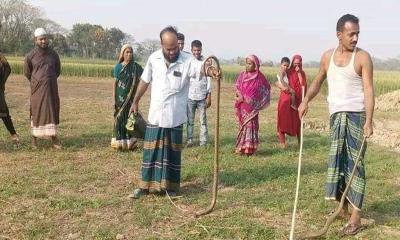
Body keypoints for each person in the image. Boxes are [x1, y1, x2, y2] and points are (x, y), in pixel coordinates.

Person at [298, 14, 374, 236]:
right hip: (336, 116)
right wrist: (305, 101)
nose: (355, 38)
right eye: (351, 34)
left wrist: (369, 120)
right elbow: (317, 81)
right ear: (339, 34)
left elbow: (368, 89)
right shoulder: (327, 57)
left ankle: (355, 217)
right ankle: (342, 208)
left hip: (356, 117)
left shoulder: (363, 58)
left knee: (355, 165)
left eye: (358, 33)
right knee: (339, 163)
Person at [128, 26, 219, 199]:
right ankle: (144, 186)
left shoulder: (187, 60)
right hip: (156, 114)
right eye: (168, 49)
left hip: (175, 116)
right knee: (150, 152)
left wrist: (211, 70)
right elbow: (145, 80)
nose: (172, 52)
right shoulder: (153, 58)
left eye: (175, 48)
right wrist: (135, 100)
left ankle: (171, 188)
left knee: (172, 154)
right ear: (162, 45)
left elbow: (201, 68)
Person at [24, 28, 61, 149]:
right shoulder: (30, 56)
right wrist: (38, 81)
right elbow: (27, 72)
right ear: (35, 40)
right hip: (37, 90)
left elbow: (57, 71)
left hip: (51, 88)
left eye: (45, 38)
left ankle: (54, 138)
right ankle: (34, 139)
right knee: (36, 111)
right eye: (41, 39)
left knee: (52, 110)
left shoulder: (54, 54)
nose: (43, 41)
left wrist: (48, 79)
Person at [235, 55, 271, 155]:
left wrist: (258, 102)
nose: (247, 65)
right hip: (243, 105)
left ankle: (250, 148)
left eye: (250, 63)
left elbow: (266, 88)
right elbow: (237, 86)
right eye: (246, 63)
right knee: (242, 125)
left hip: (253, 108)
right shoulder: (242, 75)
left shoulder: (259, 77)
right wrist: (240, 96)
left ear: (255, 65)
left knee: (251, 126)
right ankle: (241, 147)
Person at [111, 44, 143, 150]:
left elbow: (141, 82)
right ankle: (119, 143)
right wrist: (114, 99)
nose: (129, 54)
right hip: (120, 98)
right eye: (127, 52)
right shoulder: (118, 67)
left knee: (131, 119)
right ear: (122, 54)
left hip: (132, 99)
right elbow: (115, 84)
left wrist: (136, 100)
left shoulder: (136, 67)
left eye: (131, 52)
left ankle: (131, 142)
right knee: (120, 118)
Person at [276, 55, 307, 148]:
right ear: (292, 63)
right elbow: (277, 82)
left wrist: (299, 74)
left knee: (298, 122)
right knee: (283, 119)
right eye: (295, 63)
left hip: (298, 100)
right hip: (286, 98)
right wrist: (286, 89)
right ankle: (282, 143)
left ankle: (300, 143)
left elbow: (304, 85)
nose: (296, 65)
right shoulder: (288, 72)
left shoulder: (303, 73)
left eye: (298, 64)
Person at [186, 40, 211, 147]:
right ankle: (190, 140)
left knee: (203, 121)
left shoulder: (206, 62)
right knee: (190, 121)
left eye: (199, 50)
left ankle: (203, 141)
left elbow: (209, 80)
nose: (197, 52)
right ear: (192, 50)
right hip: (190, 96)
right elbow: (187, 77)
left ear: (201, 50)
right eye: (195, 50)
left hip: (202, 97)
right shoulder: (189, 62)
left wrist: (209, 95)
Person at [0, 52, 20, 146]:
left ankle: (14, 134)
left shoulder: (1, 58)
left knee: (4, 113)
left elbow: (7, 68)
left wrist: (1, 83)